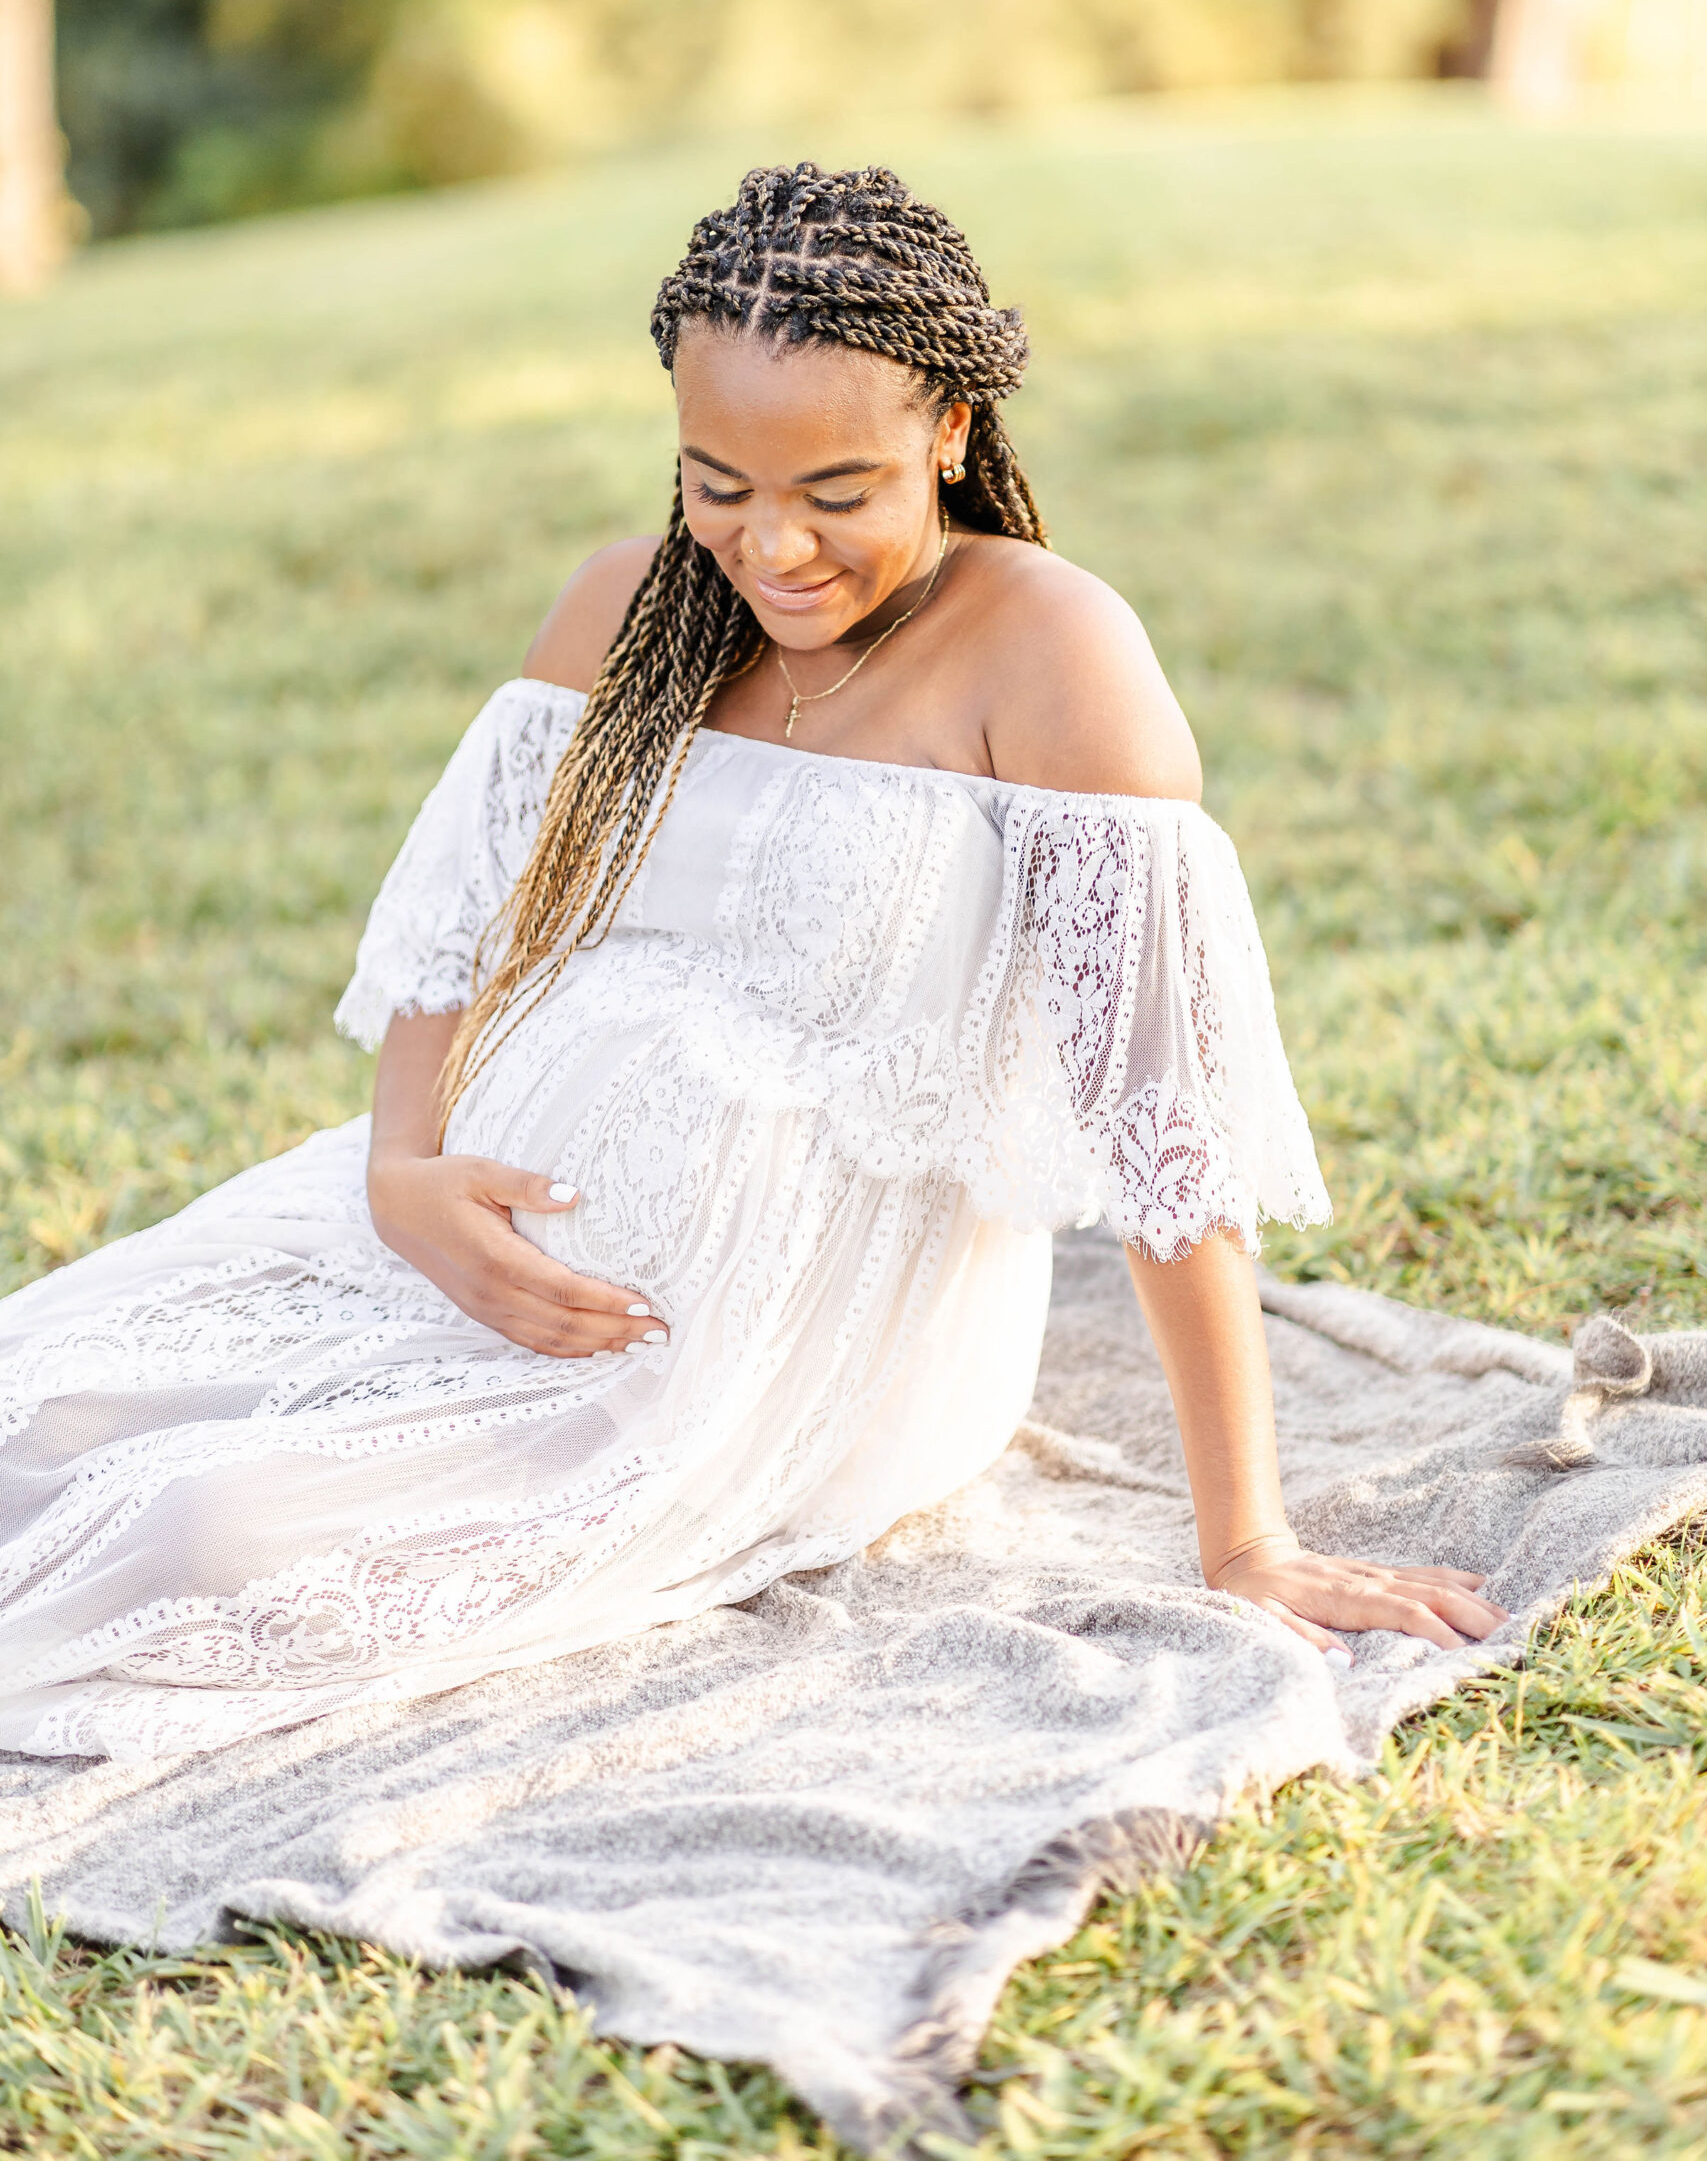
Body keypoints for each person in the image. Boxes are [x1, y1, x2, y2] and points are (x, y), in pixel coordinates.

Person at [0, 164, 1505, 1763]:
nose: (768, 544)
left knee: (192, 1545)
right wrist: (398, 1174)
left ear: (948, 431)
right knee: (38, 1403)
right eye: (715, 481)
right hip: (448, 1243)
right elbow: (462, 926)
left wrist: (1246, 1538)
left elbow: (1162, 1126)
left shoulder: (1049, 656)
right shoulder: (626, 608)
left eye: (834, 491)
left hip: (755, 1341)